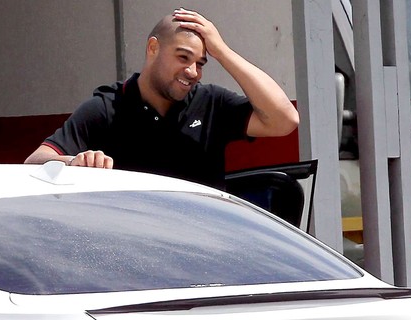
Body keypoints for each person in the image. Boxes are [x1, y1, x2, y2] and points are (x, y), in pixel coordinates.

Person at [24, 8, 299, 189]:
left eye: (201, 63)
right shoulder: (107, 108)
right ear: (153, 48)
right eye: (183, 57)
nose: (192, 72)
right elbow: (36, 161)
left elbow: (284, 120)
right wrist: (75, 162)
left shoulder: (211, 103)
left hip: (207, 252)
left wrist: (223, 51)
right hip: (134, 257)